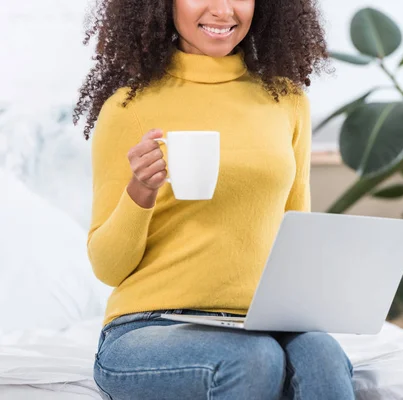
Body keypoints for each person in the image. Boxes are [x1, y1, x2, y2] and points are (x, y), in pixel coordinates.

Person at [73, 0, 354, 399]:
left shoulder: (287, 100)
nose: (223, 10)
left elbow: (296, 236)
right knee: (253, 358)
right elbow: (108, 267)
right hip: (149, 326)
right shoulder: (128, 108)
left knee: (321, 353)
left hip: (258, 323)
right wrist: (141, 190)